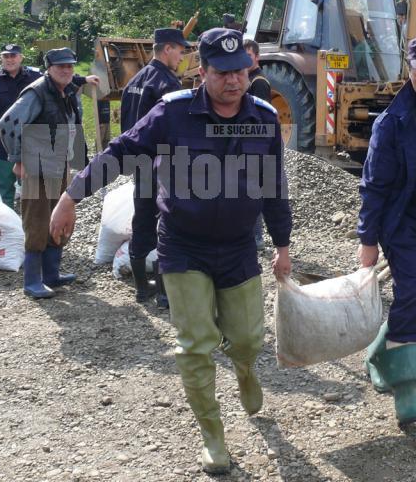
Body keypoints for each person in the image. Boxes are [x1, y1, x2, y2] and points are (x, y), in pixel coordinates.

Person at [50, 28, 292, 474]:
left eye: (241, 71)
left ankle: (244, 368)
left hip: (239, 248)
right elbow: (121, 150)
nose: (234, 81)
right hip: (183, 245)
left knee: (247, 338)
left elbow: (275, 186)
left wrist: (283, 244)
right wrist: (71, 195)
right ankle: (214, 438)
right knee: (195, 345)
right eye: (223, 73)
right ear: (203, 72)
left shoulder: (263, 116)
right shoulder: (173, 113)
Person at [0, 47, 98, 299]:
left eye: (70, 66)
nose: (66, 70)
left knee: (59, 216)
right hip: (37, 164)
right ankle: (32, 281)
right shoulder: (37, 92)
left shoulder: (66, 91)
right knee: (37, 221)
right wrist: (17, 158)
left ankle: (52, 274)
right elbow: (8, 123)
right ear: (49, 68)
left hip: (59, 163)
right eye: (60, 66)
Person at [359, 37, 416, 428]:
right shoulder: (392, 124)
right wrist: (367, 243)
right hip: (403, 224)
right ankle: (409, 399)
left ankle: (380, 353)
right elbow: (374, 188)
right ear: (411, 71)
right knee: (412, 295)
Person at [120, 27, 189, 307]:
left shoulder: (133, 81)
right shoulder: (167, 85)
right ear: (167, 48)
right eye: (180, 51)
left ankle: (141, 288)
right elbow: (174, 129)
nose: (182, 58)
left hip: (139, 163)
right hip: (162, 165)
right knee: (167, 225)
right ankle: (164, 293)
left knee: (142, 221)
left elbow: (125, 126)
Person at [0, 44, 42, 208]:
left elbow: (57, 82)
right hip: (2, 143)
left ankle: (31, 228)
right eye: (6, 56)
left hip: (31, 141)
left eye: (13, 56)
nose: (10, 59)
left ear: (21, 57)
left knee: (32, 189)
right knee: (4, 188)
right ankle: (9, 230)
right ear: (1, 59)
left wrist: (83, 79)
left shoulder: (36, 77)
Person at [244, 39, 272, 251]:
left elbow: (259, 117)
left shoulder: (258, 82)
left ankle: (257, 238)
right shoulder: (248, 78)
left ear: (257, 57)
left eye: (249, 56)